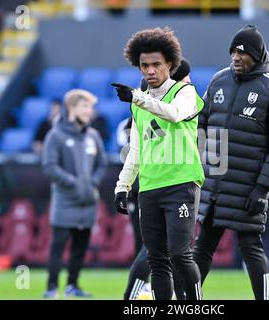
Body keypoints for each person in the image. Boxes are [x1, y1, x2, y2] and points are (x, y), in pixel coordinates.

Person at [194, 25, 269, 300]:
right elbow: (201, 125)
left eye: (242, 52)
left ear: (257, 55)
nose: (236, 57)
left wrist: (262, 188)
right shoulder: (218, 81)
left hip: (248, 187)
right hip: (214, 185)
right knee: (202, 248)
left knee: (251, 246)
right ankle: (188, 302)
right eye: (233, 52)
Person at [112, 27, 204, 300]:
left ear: (170, 65)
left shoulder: (185, 93)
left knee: (180, 255)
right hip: (150, 188)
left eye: (156, 64)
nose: (149, 70)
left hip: (181, 184)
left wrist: (138, 98)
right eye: (144, 65)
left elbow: (175, 115)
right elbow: (136, 150)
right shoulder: (139, 104)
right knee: (157, 260)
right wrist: (123, 185)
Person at [42, 89, 107, 298]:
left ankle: (73, 285)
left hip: (88, 201)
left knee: (80, 247)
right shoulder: (56, 135)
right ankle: (52, 288)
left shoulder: (93, 135)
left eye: (91, 106)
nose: (90, 111)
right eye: (86, 106)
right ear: (72, 107)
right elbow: (50, 166)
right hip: (64, 201)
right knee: (58, 246)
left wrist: (91, 183)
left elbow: (101, 164)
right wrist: (73, 182)